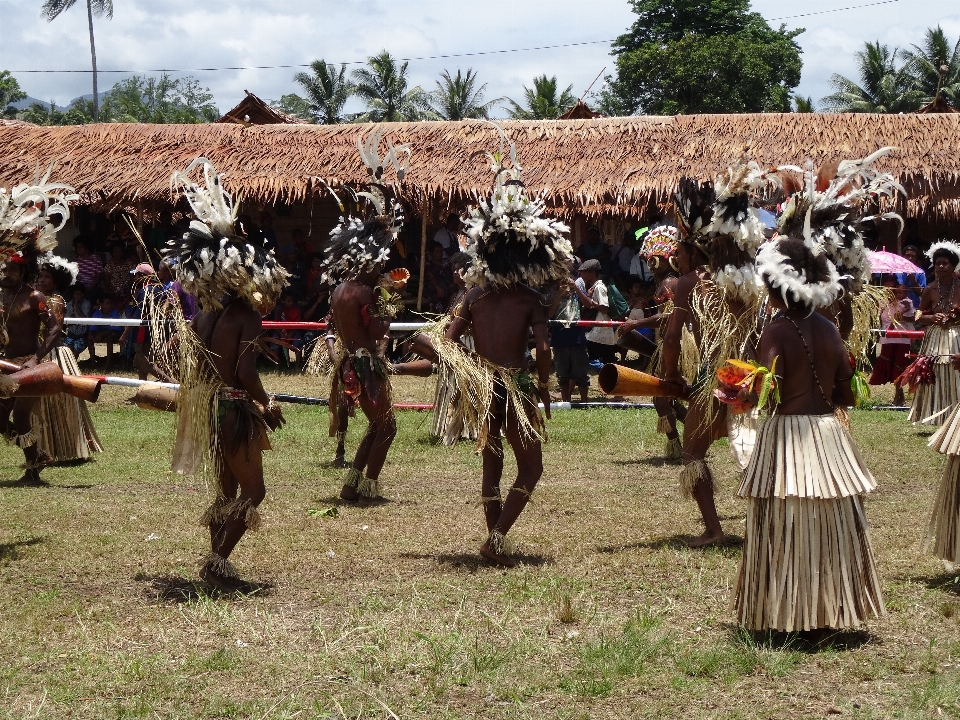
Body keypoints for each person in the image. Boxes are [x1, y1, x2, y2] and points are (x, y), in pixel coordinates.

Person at [435, 126, 573, 566]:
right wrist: (545, 385)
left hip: (484, 386)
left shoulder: (473, 296)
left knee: (491, 463)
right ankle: (495, 539)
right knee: (531, 467)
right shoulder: (529, 300)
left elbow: (446, 339)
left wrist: (467, 371)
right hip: (514, 385)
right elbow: (545, 350)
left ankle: (494, 538)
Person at [733, 236, 884, 633]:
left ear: (776, 286)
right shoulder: (831, 329)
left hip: (789, 442)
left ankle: (789, 614)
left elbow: (762, 393)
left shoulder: (776, 333)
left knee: (790, 525)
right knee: (829, 526)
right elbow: (846, 394)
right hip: (829, 438)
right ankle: (827, 611)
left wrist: (734, 392)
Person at [168, 158, 288, 592]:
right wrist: (266, 403)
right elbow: (244, 372)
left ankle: (216, 558)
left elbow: (202, 366)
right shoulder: (246, 318)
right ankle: (217, 562)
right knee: (252, 493)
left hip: (209, 407)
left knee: (225, 490)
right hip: (233, 409)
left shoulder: (204, 314)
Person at [660, 169, 768, 547]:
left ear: (695, 249)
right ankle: (765, 525)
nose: (675, 256)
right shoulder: (745, 280)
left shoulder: (690, 284)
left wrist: (670, 376)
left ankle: (714, 529)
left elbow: (672, 337)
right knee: (754, 453)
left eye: (679, 249)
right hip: (752, 374)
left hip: (719, 375)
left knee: (693, 453)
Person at [319, 130, 411, 501]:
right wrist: (390, 303)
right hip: (365, 365)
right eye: (384, 258)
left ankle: (350, 486)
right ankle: (367, 487)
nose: (387, 263)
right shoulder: (367, 291)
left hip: (349, 363)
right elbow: (376, 330)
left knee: (377, 427)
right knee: (386, 427)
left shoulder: (341, 289)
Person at [0, 175, 77, 484]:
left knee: (20, 416)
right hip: (5, 365)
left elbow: (56, 328)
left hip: (29, 365)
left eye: (13, 269)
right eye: (3, 267)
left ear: (24, 270)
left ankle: (33, 471)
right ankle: (37, 455)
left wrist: (37, 358)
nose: (6, 273)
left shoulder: (34, 297)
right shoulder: (0, 295)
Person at [34, 253, 103, 462]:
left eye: (46, 276)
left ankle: (66, 448)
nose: (41, 279)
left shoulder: (54, 301)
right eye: (40, 276)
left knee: (59, 401)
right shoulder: (38, 299)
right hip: (41, 354)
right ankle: (47, 449)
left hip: (53, 354)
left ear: (56, 281)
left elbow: (50, 330)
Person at [908, 242, 960, 425]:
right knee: (935, 372)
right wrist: (931, 319)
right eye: (938, 263)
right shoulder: (930, 288)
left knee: (955, 372)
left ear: (953, 265)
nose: (940, 267)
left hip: (956, 336)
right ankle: (936, 415)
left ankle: (955, 415)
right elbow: (918, 315)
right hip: (935, 338)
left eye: (945, 263)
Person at [548, 259, 590, 403]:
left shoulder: (578, 288)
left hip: (577, 337)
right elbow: (549, 314)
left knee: (581, 373)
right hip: (559, 338)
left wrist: (576, 289)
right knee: (563, 374)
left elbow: (588, 304)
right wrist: (559, 294)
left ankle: (584, 401)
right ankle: (566, 401)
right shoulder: (553, 292)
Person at [868, 276, 913, 406]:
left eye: (892, 288)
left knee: (899, 365)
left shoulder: (905, 302)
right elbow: (875, 314)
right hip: (887, 338)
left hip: (902, 338)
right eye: (886, 288)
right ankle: (898, 395)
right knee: (888, 364)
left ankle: (899, 395)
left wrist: (899, 316)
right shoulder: (883, 302)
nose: (890, 291)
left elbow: (903, 316)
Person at [574, 259, 617, 366]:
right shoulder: (593, 287)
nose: (581, 274)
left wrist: (591, 301)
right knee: (606, 362)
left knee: (587, 359)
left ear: (592, 273)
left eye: (584, 272)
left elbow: (604, 308)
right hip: (597, 332)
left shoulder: (599, 287)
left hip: (600, 332)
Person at [89, 295, 123, 369]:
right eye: (107, 303)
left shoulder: (115, 312)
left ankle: (108, 364)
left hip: (114, 333)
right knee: (89, 338)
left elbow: (115, 328)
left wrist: (101, 335)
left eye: (110, 303)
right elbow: (92, 328)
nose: (109, 305)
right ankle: (92, 363)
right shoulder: (96, 313)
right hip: (101, 332)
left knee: (109, 337)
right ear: (101, 304)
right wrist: (92, 335)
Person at [63, 284, 91, 359]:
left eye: (80, 294)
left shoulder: (86, 304)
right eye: (76, 294)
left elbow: (83, 318)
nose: (78, 296)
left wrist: (76, 304)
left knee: (77, 348)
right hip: (71, 334)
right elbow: (67, 321)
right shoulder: (68, 304)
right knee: (67, 349)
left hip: (82, 335)